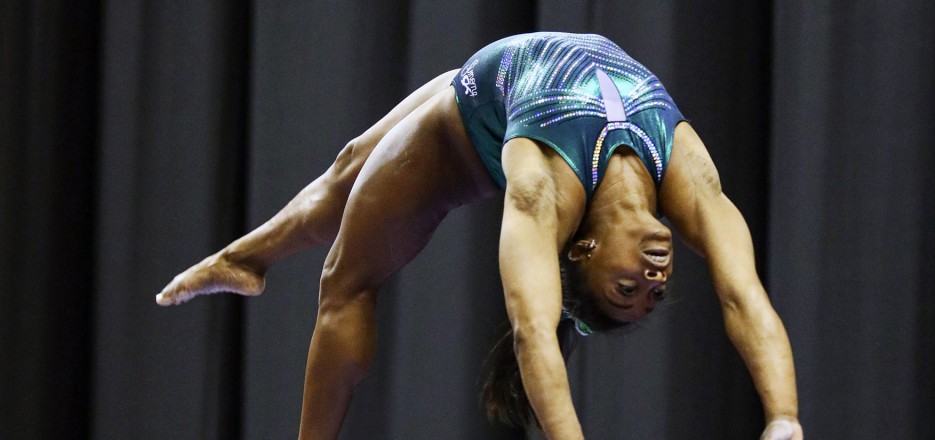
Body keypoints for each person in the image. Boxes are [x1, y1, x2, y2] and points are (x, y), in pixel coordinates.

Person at [156, 32, 803, 440]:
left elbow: (533, 332)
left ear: (581, 251)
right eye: (646, 292)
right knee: (346, 170)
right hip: (494, 76)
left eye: (627, 288)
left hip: (463, 133)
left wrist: (783, 420)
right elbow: (744, 297)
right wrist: (782, 416)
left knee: (345, 280)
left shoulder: (541, 191)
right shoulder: (688, 179)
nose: (654, 280)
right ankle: (247, 258)